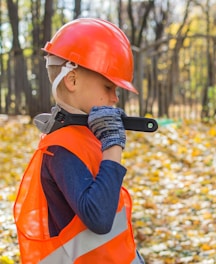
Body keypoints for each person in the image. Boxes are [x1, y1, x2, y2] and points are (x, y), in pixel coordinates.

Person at [14, 18, 145, 263]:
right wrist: (113, 144)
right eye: (108, 87)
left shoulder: (84, 135)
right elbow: (99, 217)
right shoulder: (61, 148)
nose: (115, 98)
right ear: (72, 80)